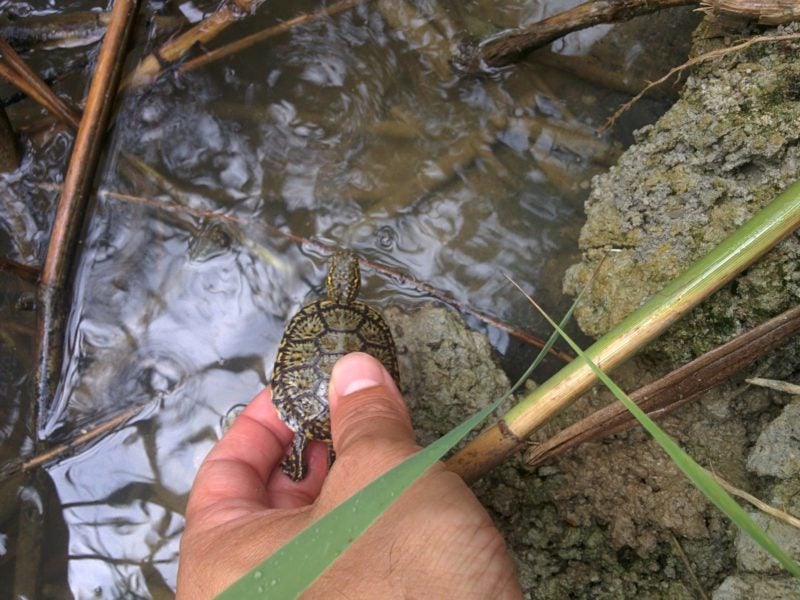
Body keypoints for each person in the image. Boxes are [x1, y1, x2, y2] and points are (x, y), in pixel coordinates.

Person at [176, 352, 522, 598]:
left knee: (306, 444)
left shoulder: (309, 319)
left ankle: (310, 456)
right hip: (354, 427)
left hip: (310, 412)